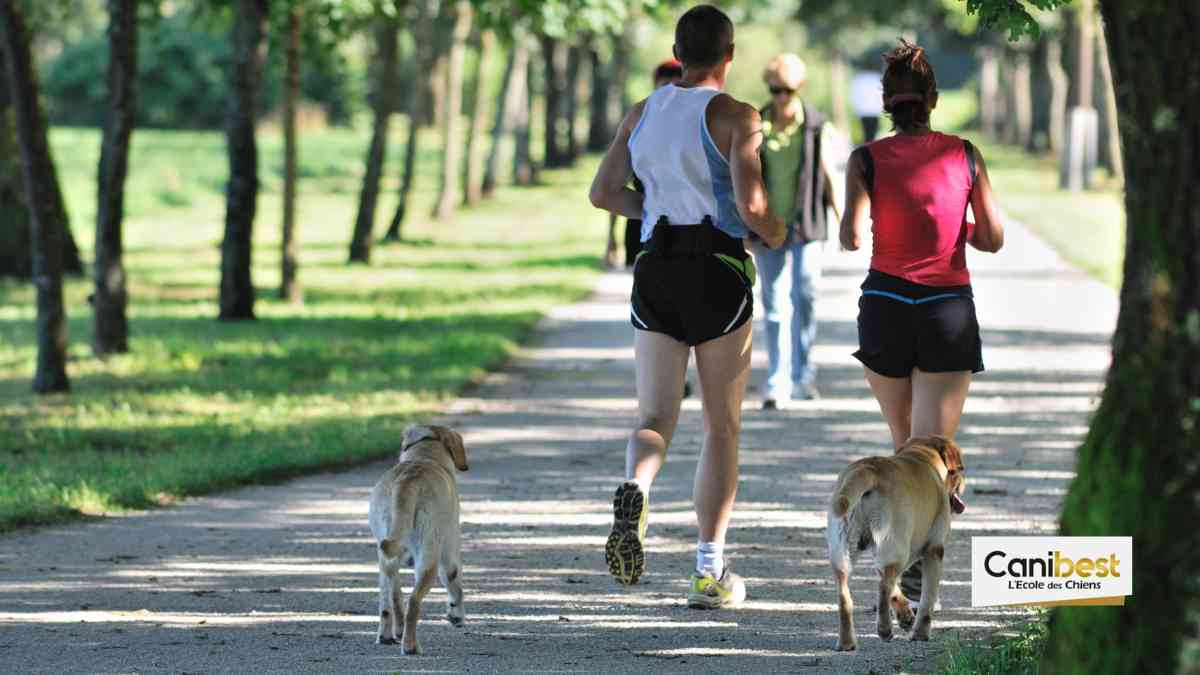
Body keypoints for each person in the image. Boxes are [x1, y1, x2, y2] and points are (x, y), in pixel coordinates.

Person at [588, 4, 786, 609]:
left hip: (656, 269)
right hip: (718, 270)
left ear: (679, 53)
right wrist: (777, 232)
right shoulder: (737, 116)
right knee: (721, 426)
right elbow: (751, 208)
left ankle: (636, 487)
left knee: (653, 417)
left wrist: (650, 215)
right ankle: (709, 569)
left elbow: (603, 193)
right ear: (729, 57)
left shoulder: (643, 112)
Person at [839, 39, 1004, 602]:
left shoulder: (865, 159)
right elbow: (994, 238)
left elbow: (851, 236)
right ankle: (915, 553)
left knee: (904, 443)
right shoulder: (965, 154)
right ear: (933, 99)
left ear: (887, 102)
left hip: (884, 304)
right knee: (931, 450)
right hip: (946, 308)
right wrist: (957, 229)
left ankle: (898, 544)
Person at [751, 53, 838, 408]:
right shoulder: (756, 124)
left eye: (786, 90)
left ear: (799, 88)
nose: (780, 97)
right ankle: (777, 380)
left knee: (804, 295)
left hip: (806, 224)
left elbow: (830, 175)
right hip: (768, 226)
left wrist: (844, 220)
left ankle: (804, 374)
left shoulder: (816, 125)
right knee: (773, 304)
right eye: (774, 90)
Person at [605, 60, 684, 270]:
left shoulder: (694, 129)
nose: (670, 92)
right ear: (655, 86)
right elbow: (613, 185)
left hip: (687, 228)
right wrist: (611, 238)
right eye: (664, 86)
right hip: (640, 225)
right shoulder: (637, 126)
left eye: (676, 86)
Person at [849, 67, 884, 143]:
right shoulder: (877, 77)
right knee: (871, 136)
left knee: (865, 136)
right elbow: (880, 95)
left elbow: (854, 95)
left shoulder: (858, 79)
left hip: (862, 112)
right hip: (874, 112)